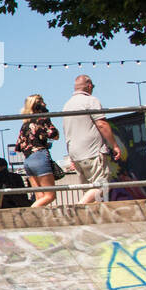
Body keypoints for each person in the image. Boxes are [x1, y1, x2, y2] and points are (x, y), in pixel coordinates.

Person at [61, 74, 121, 204]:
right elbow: (102, 124)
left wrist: (71, 156)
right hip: (92, 151)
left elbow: (67, 131)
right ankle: (77, 208)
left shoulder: (67, 105)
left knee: (89, 191)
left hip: (76, 154)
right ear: (89, 86)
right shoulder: (90, 101)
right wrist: (114, 145)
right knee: (101, 185)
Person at [15, 94, 60, 207]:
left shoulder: (25, 124)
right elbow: (54, 134)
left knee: (40, 197)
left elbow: (19, 146)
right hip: (40, 157)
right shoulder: (42, 119)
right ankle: (28, 214)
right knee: (50, 195)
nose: (46, 104)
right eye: (43, 102)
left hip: (28, 161)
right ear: (38, 104)